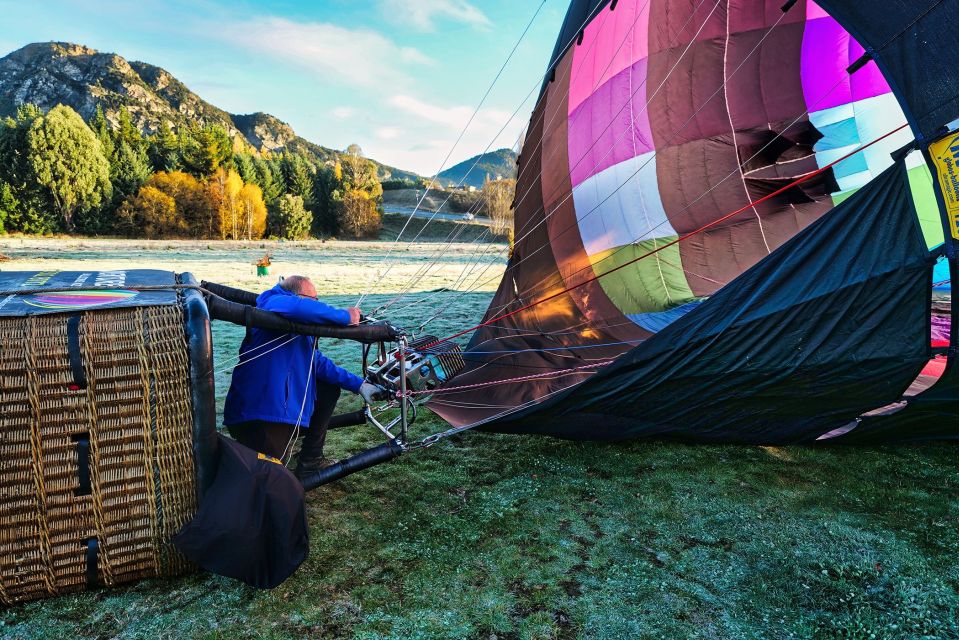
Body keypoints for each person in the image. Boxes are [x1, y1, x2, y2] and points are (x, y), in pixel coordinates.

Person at [223, 275, 382, 479]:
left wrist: (361, 386)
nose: (318, 305)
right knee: (267, 480)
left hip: (271, 412)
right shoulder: (273, 301)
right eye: (315, 300)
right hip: (261, 414)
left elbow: (316, 362)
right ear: (297, 296)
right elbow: (298, 307)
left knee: (327, 388)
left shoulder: (290, 326)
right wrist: (345, 316)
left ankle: (311, 459)